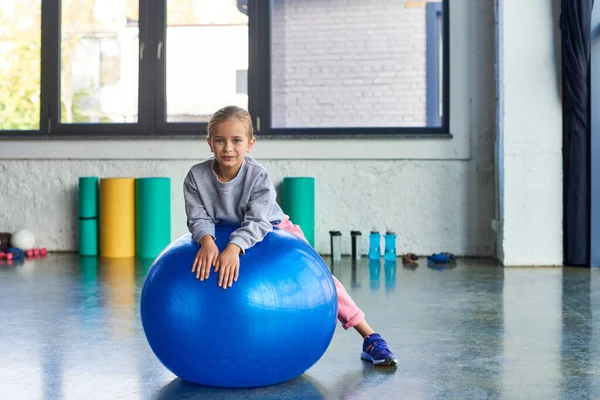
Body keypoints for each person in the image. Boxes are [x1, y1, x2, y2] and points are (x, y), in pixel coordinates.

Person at [183, 105, 397, 366]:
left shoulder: (258, 176)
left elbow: (258, 220)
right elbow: (198, 217)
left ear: (250, 144)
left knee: (323, 278)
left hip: (274, 228)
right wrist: (207, 240)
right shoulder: (196, 176)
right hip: (225, 232)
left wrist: (234, 247)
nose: (228, 148)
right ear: (210, 143)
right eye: (220, 140)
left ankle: (370, 336)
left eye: (236, 140)